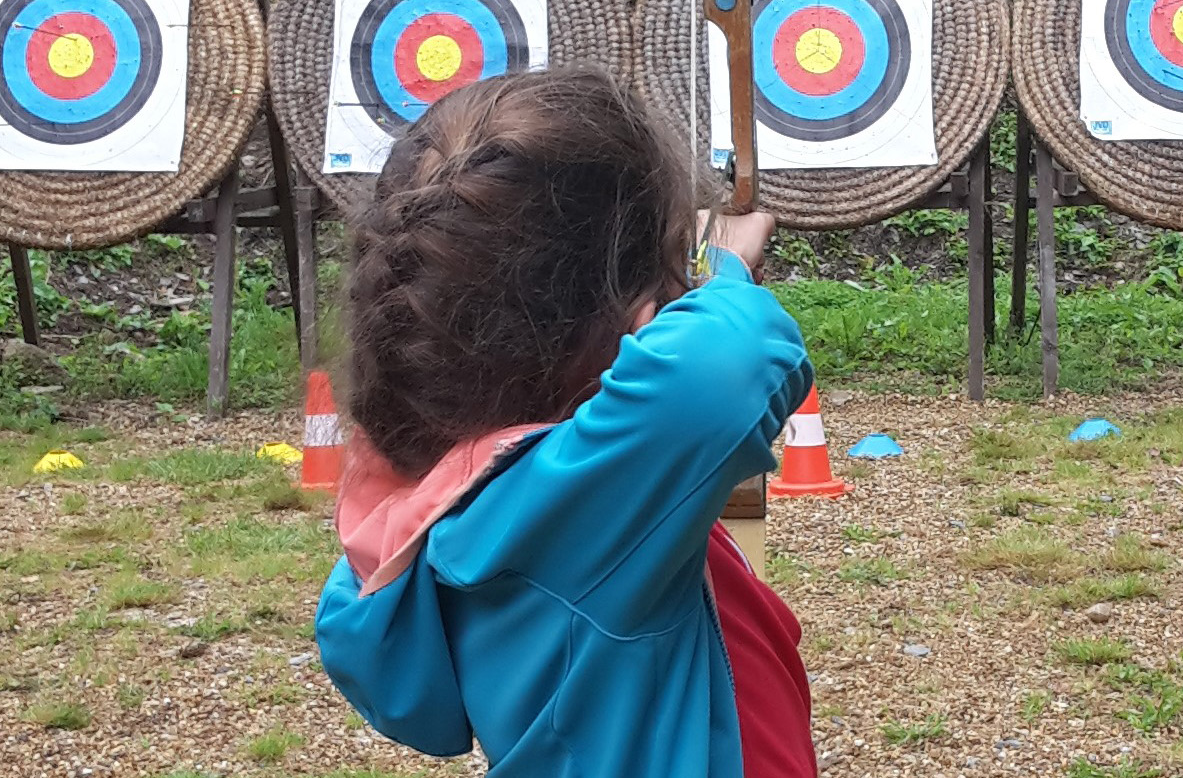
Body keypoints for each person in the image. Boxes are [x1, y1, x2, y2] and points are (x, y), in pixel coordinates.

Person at [314, 67, 819, 778]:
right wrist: (722, 264)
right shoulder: (569, 513)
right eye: (668, 262)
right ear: (619, 313)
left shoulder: (452, 503)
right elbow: (726, 365)